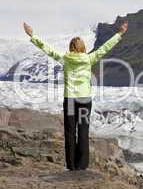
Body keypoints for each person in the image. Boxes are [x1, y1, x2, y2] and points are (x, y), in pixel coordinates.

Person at [23, 21, 128, 171]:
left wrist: (32, 35)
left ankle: (71, 165)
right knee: (83, 131)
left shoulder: (65, 59)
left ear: (71, 48)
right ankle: (82, 166)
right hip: (85, 100)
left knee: (70, 132)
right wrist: (119, 34)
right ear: (83, 48)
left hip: (70, 100)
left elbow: (48, 50)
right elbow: (105, 48)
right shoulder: (89, 58)